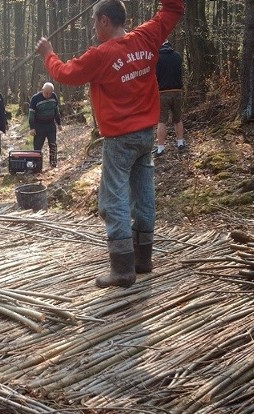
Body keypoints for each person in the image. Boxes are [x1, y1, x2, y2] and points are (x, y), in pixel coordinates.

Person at [36, 0, 184, 288]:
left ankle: (122, 269)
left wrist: (48, 54)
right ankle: (143, 259)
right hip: (145, 134)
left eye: (94, 22)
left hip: (119, 138)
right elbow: (174, 8)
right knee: (143, 194)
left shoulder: (101, 55)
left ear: (105, 20)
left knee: (112, 199)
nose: (93, 27)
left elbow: (66, 74)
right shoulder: (147, 36)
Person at [155, 40, 184, 156]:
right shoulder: (177, 56)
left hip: (162, 92)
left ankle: (161, 148)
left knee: (162, 121)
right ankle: (180, 142)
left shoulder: (157, 58)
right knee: (178, 119)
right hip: (177, 91)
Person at [28, 82, 63, 168]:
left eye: (49, 93)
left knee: (53, 144)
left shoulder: (54, 96)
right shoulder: (35, 98)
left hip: (51, 124)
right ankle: (37, 165)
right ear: (42, 90)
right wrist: (32, 128)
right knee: (38, 146)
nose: (47, 95)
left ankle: (53, 163)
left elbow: (56, 111)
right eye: (46, 93)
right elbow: (31, 114)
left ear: (52, 92)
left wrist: (59, 124)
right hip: (39, 125)